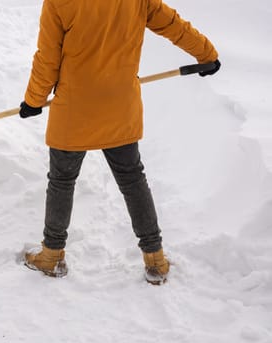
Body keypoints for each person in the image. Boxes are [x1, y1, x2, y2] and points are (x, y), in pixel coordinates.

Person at [19, 0, 220, 284]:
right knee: (132, 179)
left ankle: (51, 255)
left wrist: (34, 100)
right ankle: (156, 260)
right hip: (120, 104)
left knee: (62, 180)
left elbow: (47, 57)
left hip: (75, 107)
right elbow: (172, 23)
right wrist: (206, 53)